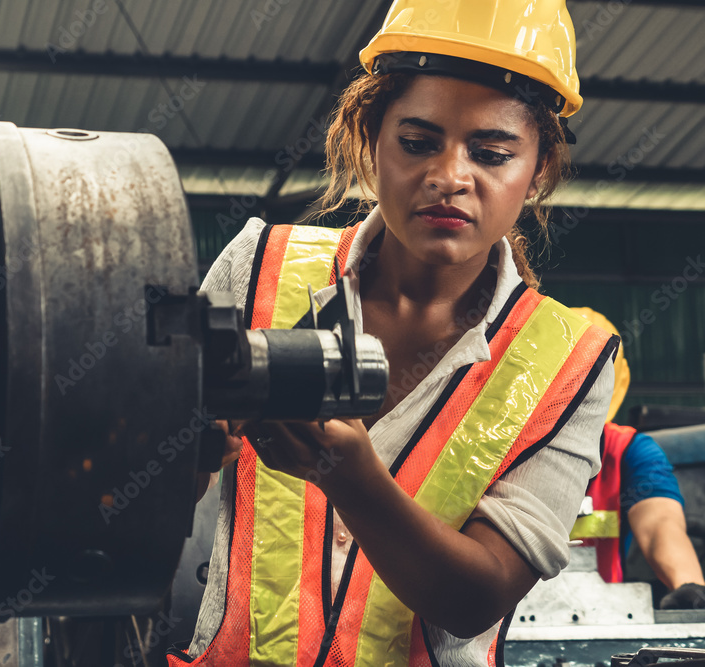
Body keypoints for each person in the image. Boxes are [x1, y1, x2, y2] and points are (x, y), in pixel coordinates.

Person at [168, 1, 619, 665]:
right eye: (418, 142)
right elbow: (146, 488)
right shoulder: (256, 267)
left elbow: (476, 597)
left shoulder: (571, 360)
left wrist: (351, 476)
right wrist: (188, 451)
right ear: (370, 137)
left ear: (539, 171)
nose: (449, 177)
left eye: (492, 154)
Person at [569, 308, 705, 610]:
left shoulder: (629, 452)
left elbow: (660, 525)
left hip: (602, 616)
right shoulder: (502, 448)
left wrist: (689, 586)